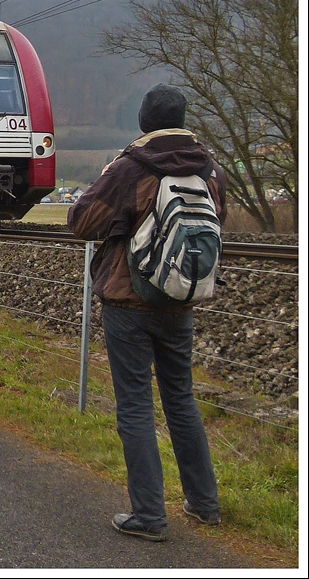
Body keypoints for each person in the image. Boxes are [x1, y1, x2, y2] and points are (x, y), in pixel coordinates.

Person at [68, 84, 227, 542]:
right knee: (181, 399)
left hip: (128, 300)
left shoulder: (130, 168)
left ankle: (149, 516)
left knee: (135, 405)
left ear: (144, 121)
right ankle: (204, 504)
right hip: (180, 300)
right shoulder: (210, 169)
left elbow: (83, 222)